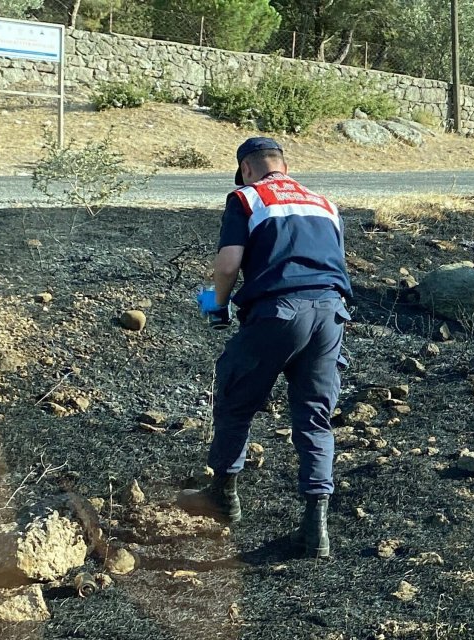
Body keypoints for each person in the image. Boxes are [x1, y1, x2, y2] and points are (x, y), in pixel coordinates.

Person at [179, 137, 352, 559]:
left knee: (236, 397)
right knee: (314, 417)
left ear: (247, 170)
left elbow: (226, 265)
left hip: (278, 313)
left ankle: (224, 495)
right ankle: (316, 531)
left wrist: (216, 304)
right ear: (285, 166)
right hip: (331, 315)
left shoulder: (246, 197)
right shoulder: (324, 203)